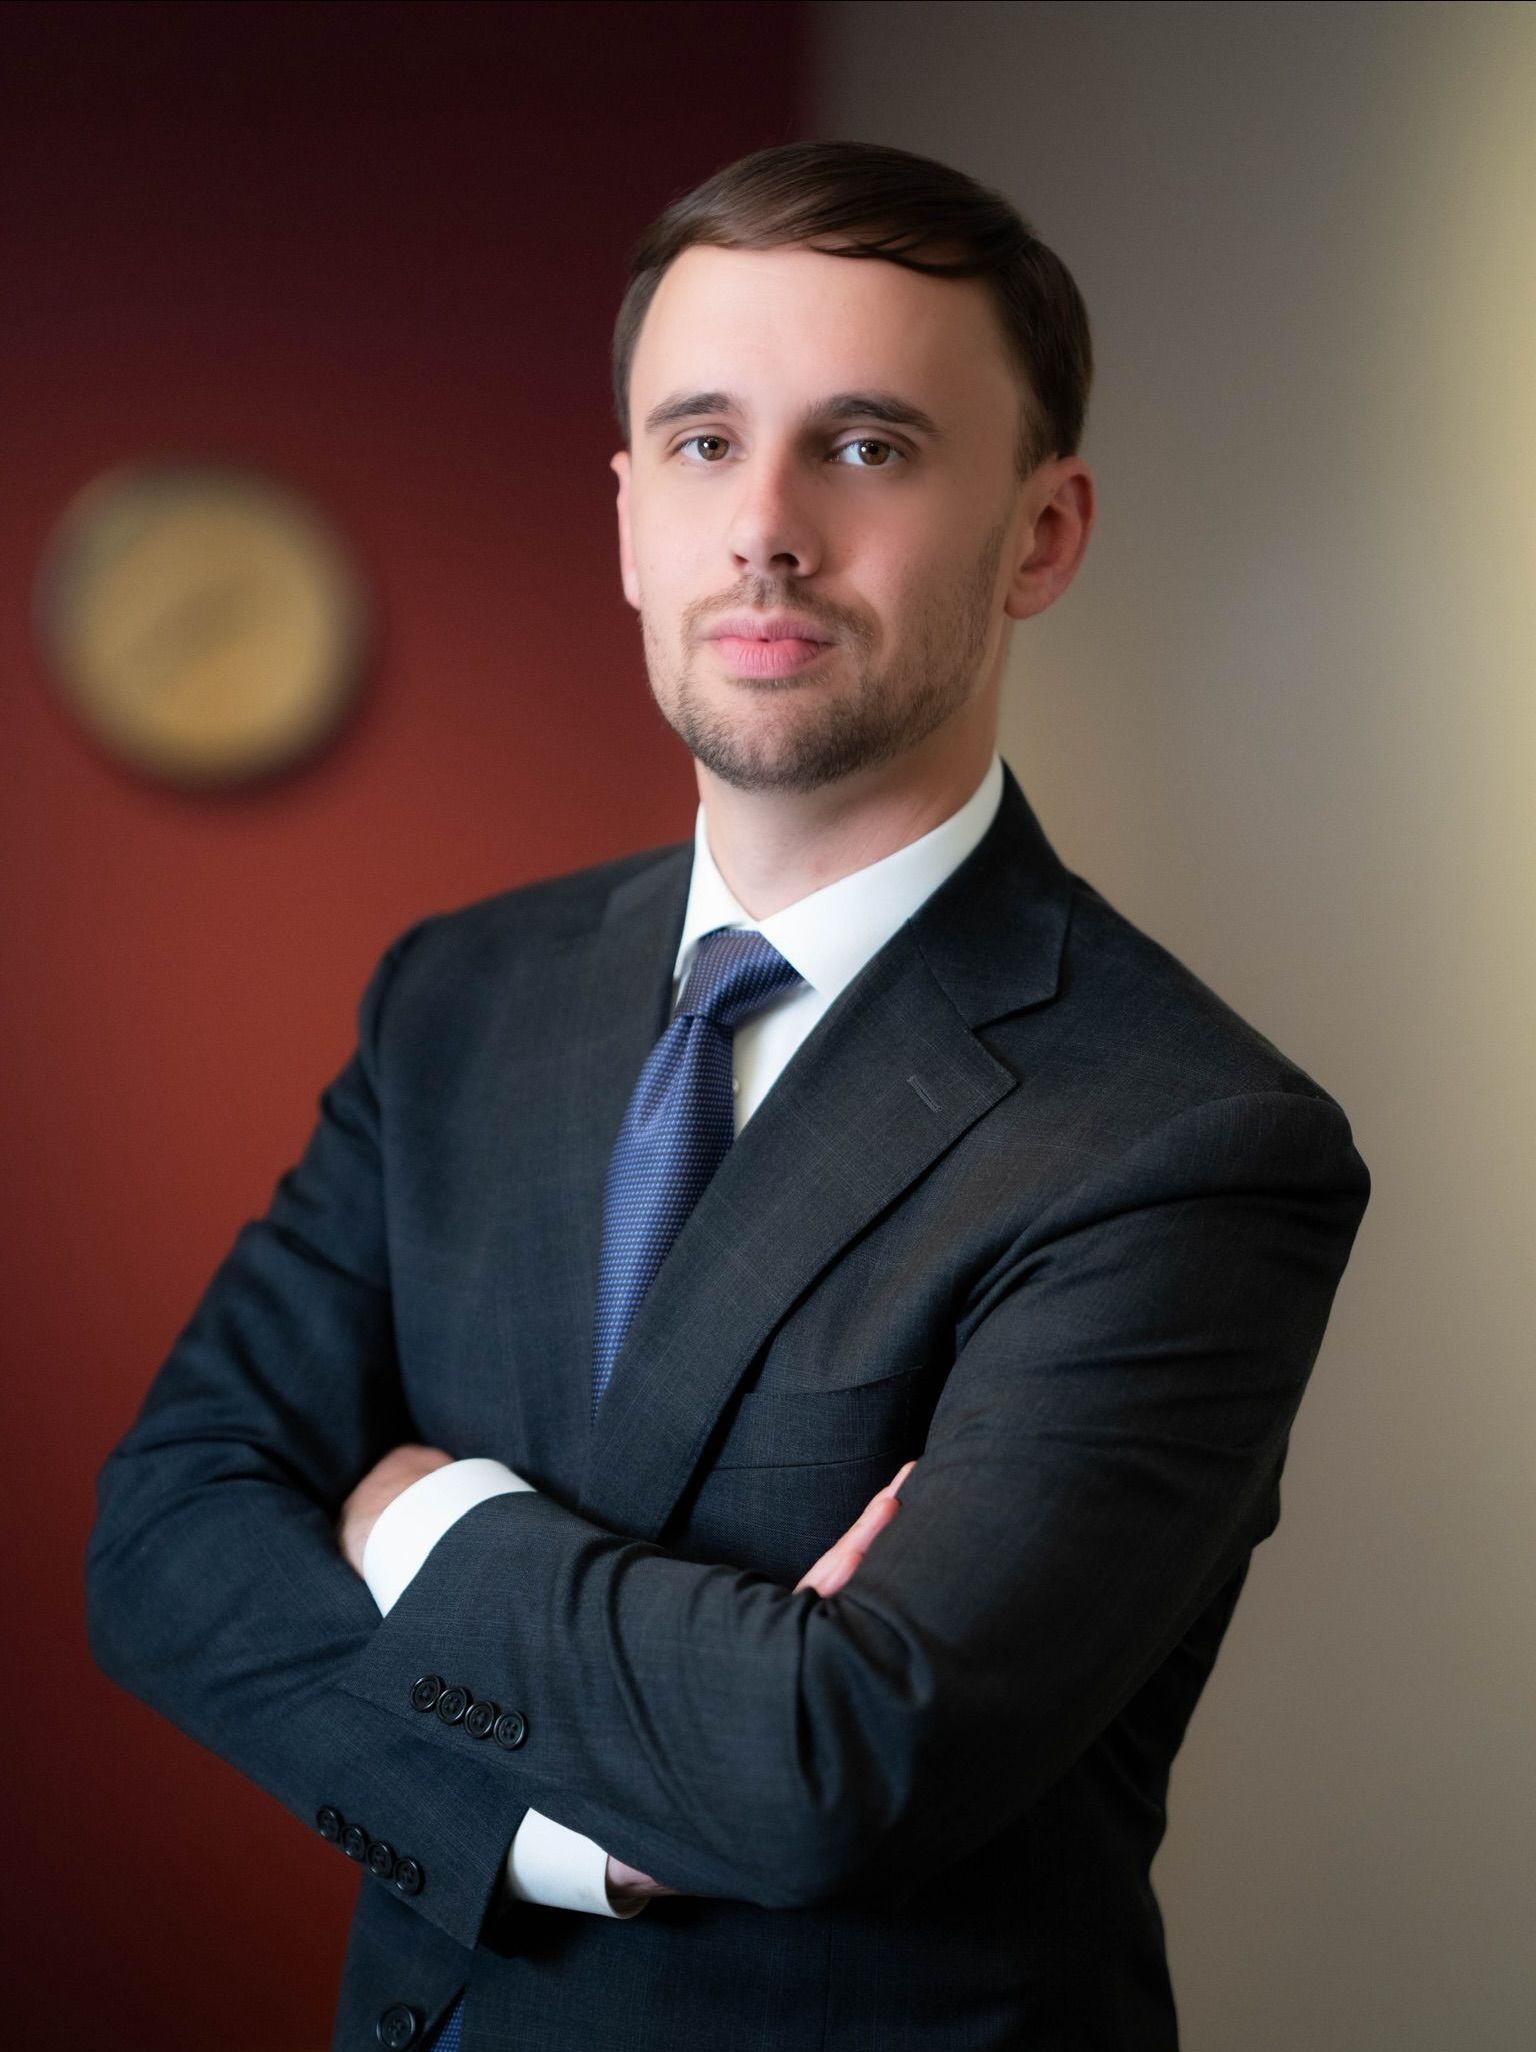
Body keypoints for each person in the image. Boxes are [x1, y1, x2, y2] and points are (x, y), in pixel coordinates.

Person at [85, 140, 1371, 2052]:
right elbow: (168, 1535)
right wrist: (550, 1841)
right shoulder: (458, 999)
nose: (765, 525)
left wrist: (427, 1527)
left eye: (866, 446)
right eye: (702, 444)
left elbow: (832, 1768)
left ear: (1042, 531)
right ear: (626, 518)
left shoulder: (1185, 1145)